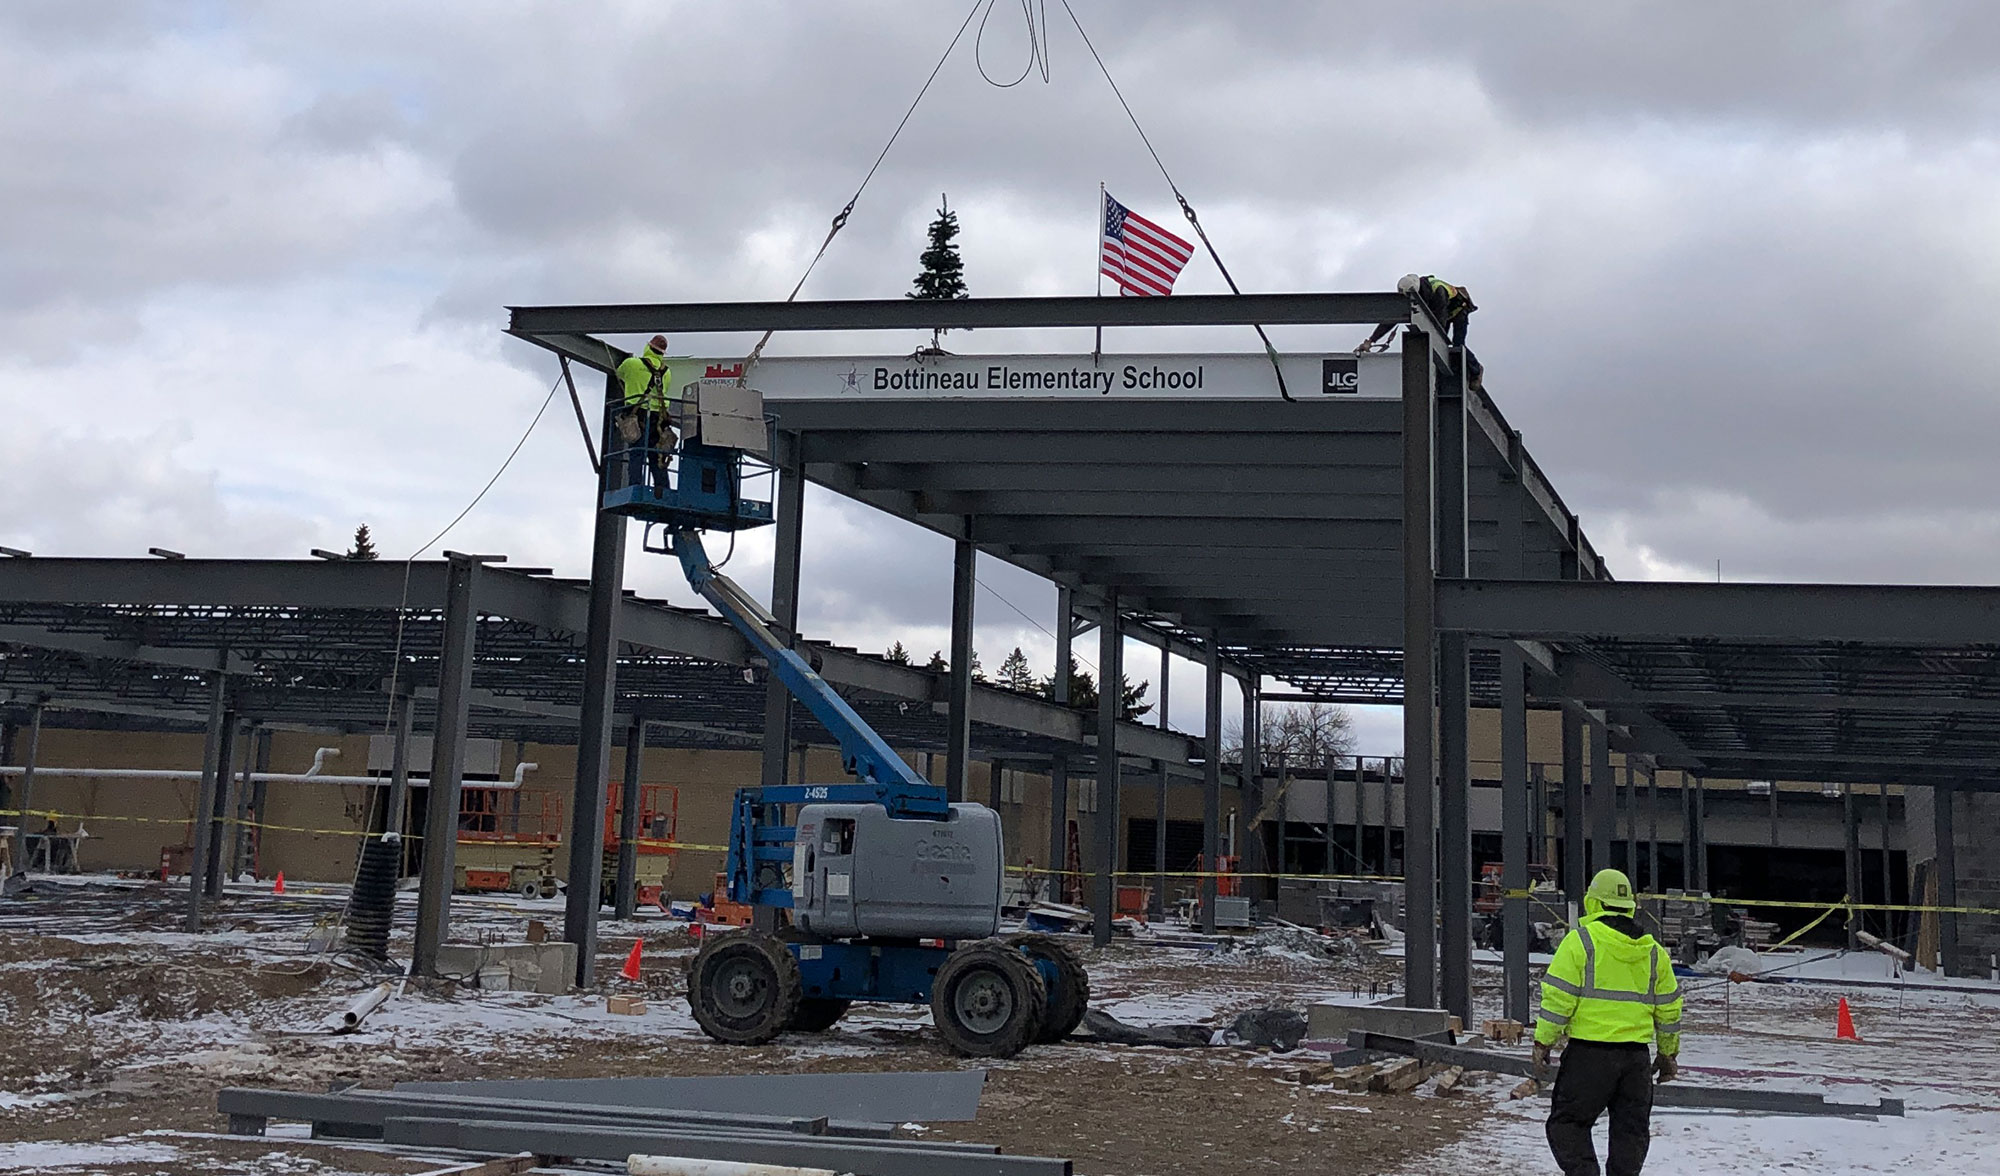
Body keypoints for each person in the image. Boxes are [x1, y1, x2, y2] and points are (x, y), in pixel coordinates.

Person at [1533, 869, 1682, 1176]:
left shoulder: (1580, 943)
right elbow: (1669, 1010)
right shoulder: (1654, 953)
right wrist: (1668, 1054)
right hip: (1636, 1061)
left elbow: (1558, 999)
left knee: (1567, 1124)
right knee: (1631, 1132)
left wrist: (1543, 1041)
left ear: (1593, 902)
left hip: (1589, 1056)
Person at [1356, 273, 1484, 391]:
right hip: (1444, 310)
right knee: (1438, 346)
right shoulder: (1411, 294)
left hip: (1459, 310)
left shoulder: (1438, 291)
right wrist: (1371, 340)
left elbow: (1440, 323)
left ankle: (1476, 369)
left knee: (1457, 344)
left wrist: (1438, 343)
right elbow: (1391, 320)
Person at [613, 335, 678, 492]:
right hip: (658, 419)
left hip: (637, 415)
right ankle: (663, 489)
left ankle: (635, 486)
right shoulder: (666, 372)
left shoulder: (631, 363)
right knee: (657, 455)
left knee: (637, 453)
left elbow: (619, 374)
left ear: (648, 347)